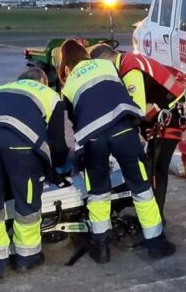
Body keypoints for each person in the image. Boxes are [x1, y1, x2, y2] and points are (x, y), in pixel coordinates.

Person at [58, 40, 175, 263]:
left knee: (98, 193)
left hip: (92, 139)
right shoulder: (107, 66)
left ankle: (101, 249)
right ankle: (156, 244)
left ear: (65, 64)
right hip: (123, 131)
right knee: (141, 188)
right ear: (86, 54)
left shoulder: (68, 85)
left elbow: (75, 121)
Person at [0, 67, 68, 283]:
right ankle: (26, 257)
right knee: (27, 202)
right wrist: (58, 169)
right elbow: (58, 143)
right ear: (43, 80)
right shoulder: (50, 95)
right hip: (19, 145)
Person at [89, 44, 186, 219]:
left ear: (105, 60)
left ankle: (156, 220)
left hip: (169, 116)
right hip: (164, 114)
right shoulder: (126, 62)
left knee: (156, 168)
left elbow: (135, 111)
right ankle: (146, 208)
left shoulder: (130, 69)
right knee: (148, 165)